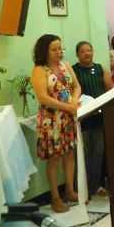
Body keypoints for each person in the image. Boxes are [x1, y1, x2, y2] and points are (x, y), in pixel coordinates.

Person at [31, 34, 81, 212]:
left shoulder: (65, 66)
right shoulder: (39, 70)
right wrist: (67, 107)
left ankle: (70, 190)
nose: (59, 52)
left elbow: (76, 86)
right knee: (54, 159)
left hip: (68, 118)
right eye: (54, 49)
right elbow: (43, 97)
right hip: (51, 121)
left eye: (60, 48)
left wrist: (74, 101)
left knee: (69, 154)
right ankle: (55, 197)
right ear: (44, 51)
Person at [73, 41, 114, 198]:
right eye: (83, 51)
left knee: (98, 152)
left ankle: (96, 185)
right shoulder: (74, 70)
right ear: (78, 54)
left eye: (89, 50)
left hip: (99, 116)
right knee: (83, 153)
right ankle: (81, 188)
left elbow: (110, 88)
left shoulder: (99, 68)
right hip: (83, 118)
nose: (87, 54)